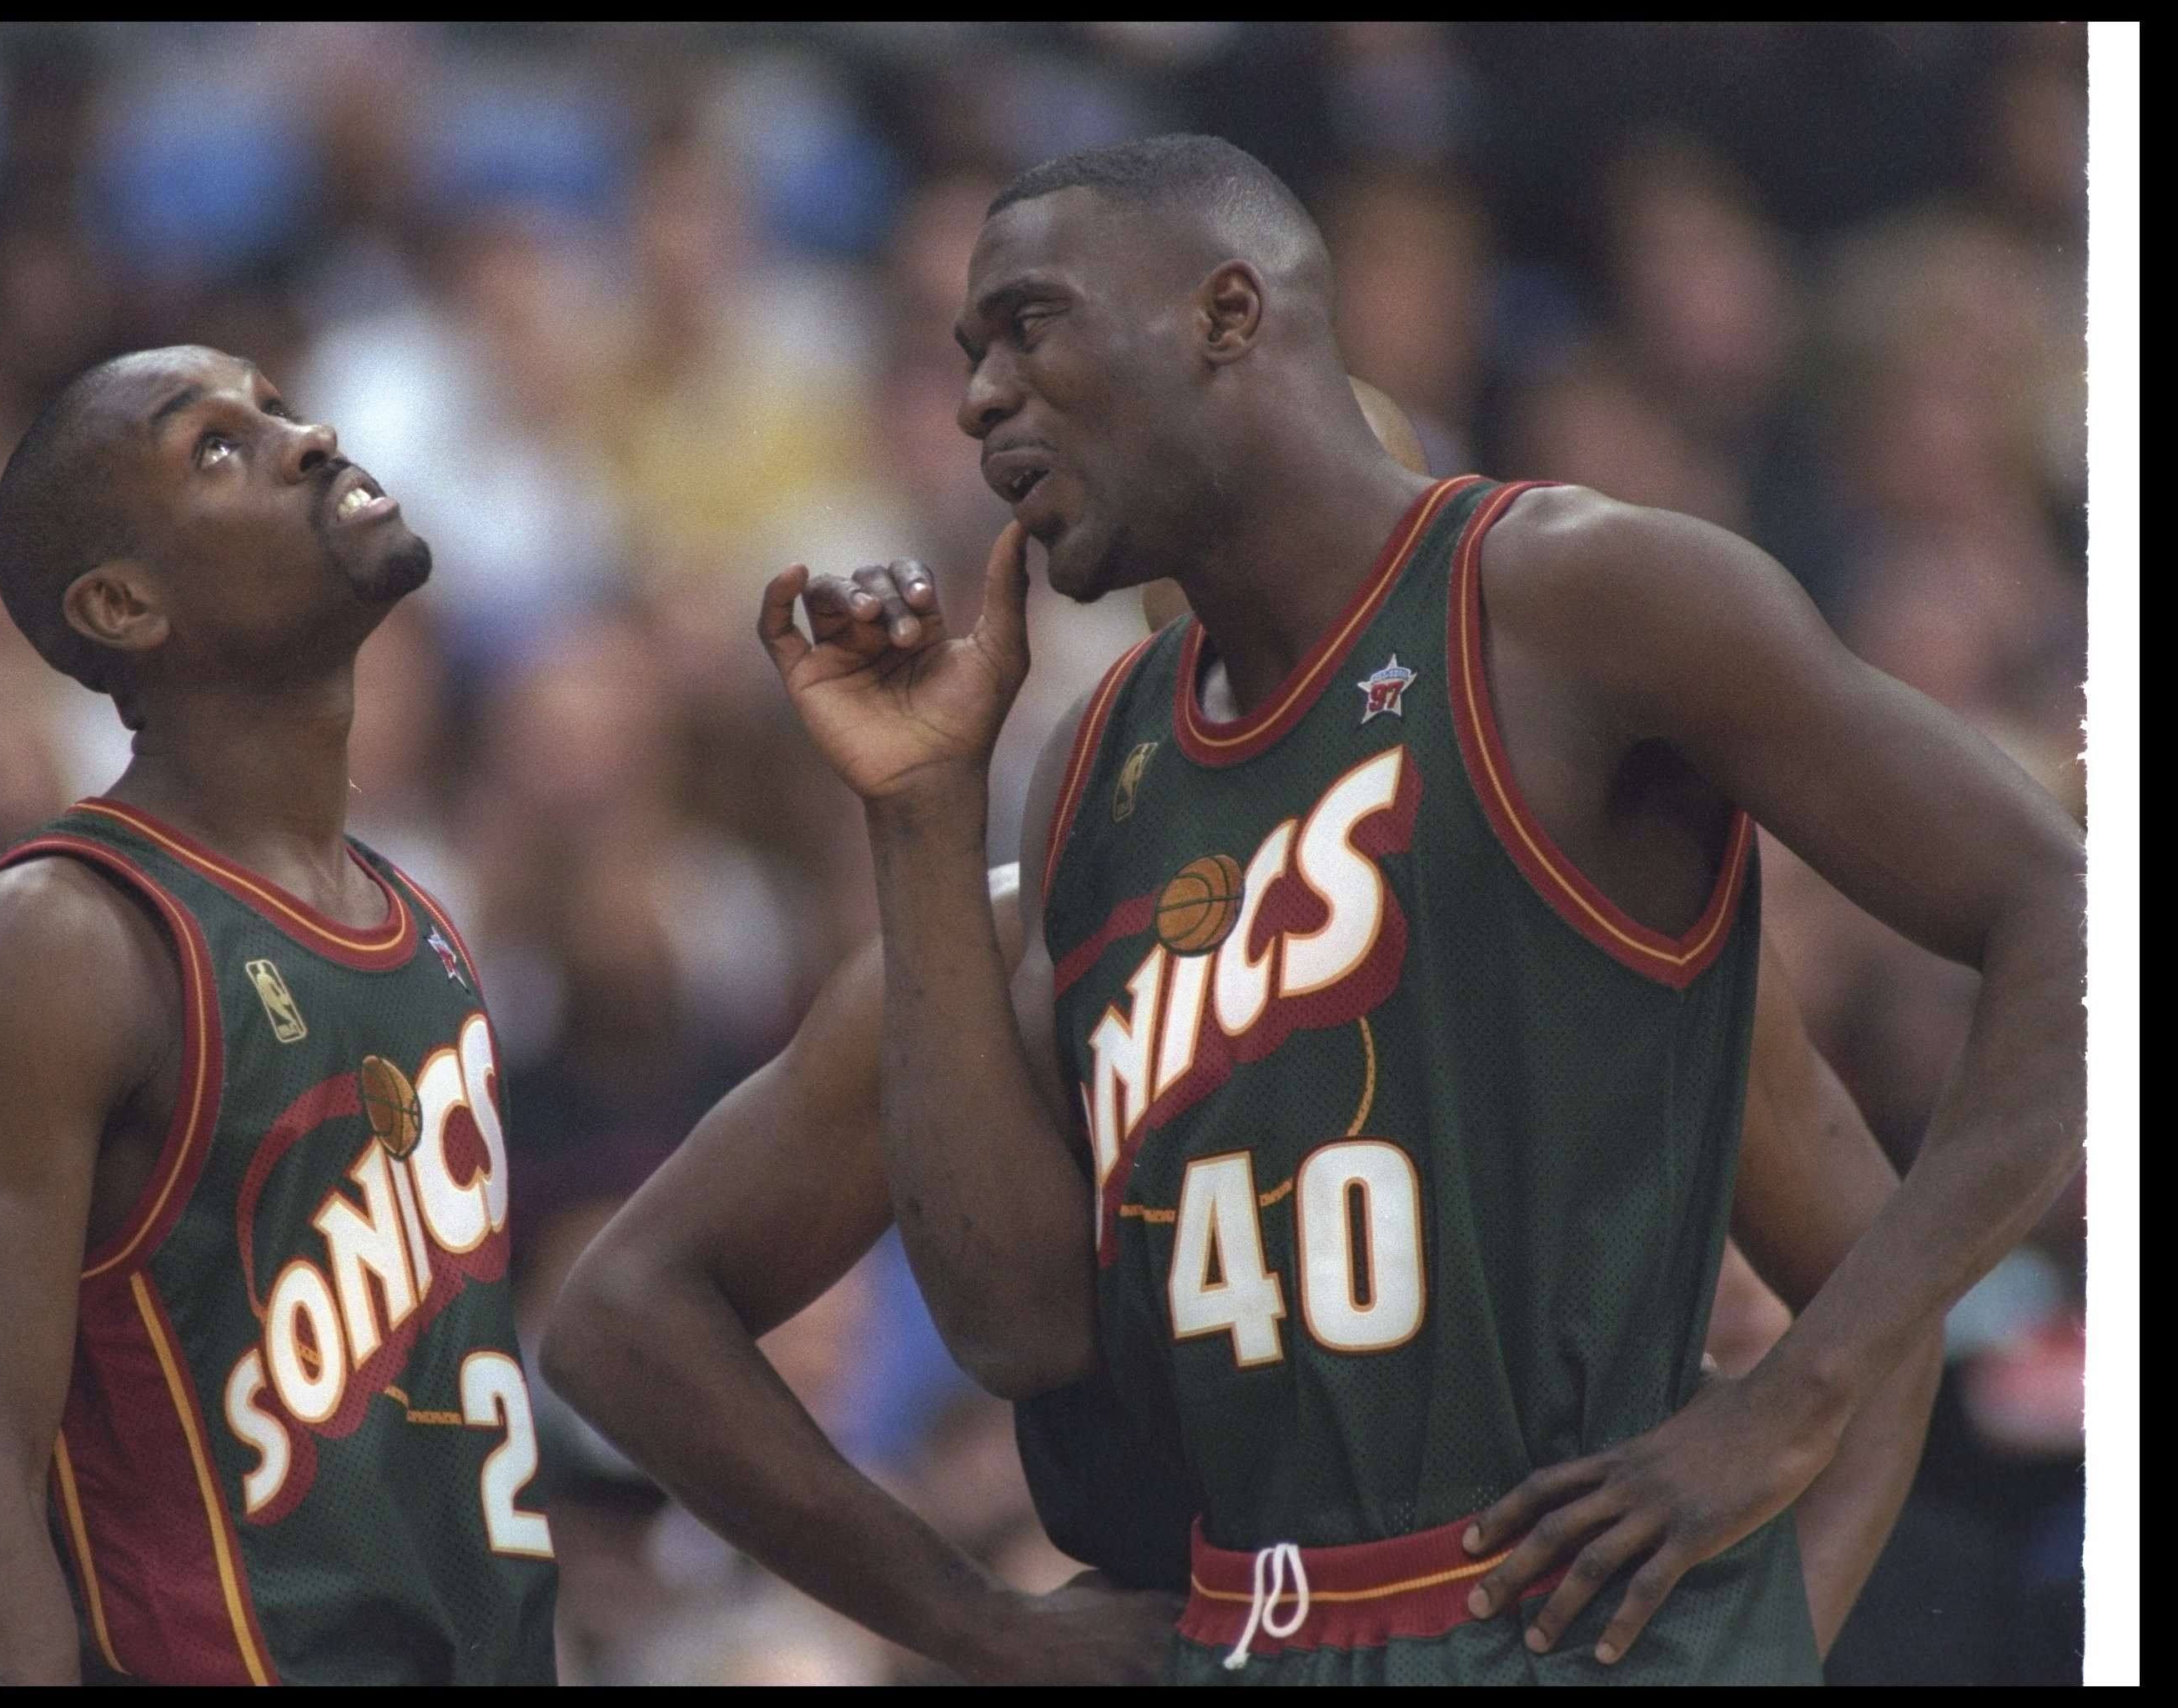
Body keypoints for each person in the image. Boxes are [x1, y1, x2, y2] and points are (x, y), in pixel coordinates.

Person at [757, 136, 2080, 1684]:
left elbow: (2071, 922)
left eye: (1028, 327)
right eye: (966, 353)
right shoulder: (1090, 767)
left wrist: (1795, 1408)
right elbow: (1013, 1334)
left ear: (1229, 315)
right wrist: (967, 1619)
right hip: (1256, 1625)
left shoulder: (1579, 597)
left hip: (1555, 1618)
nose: (981, 395)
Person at [551, 382, 1929, 1682]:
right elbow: (623, 1321)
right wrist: (975, 1623)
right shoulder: (1010, 946)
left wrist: (1764, 1640)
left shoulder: (1587, 901)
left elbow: (1884, 1305)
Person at [0, 347, 556, 1684]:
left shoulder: (418, 921)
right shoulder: (65, 936)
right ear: (125, 603)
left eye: (275, 405)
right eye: (214, 446)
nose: (307, 436)